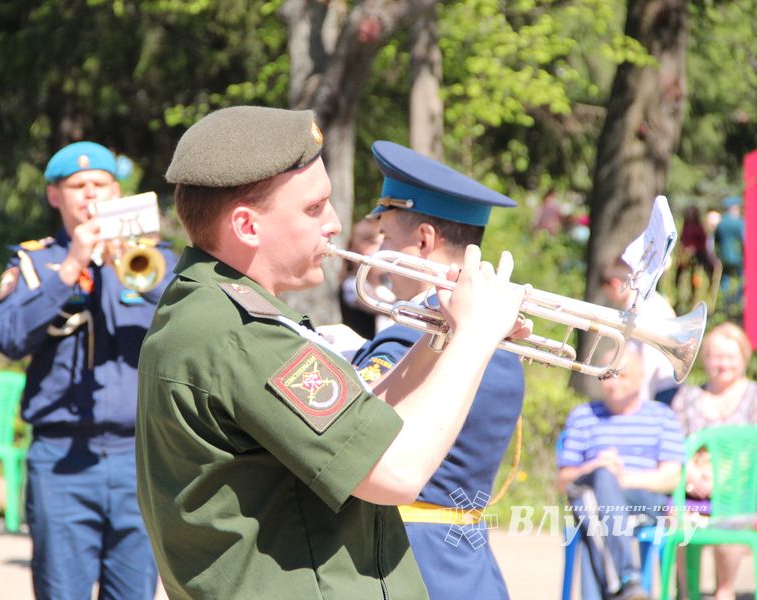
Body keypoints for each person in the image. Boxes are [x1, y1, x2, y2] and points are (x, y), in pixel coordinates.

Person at [135, 106, 528, 599]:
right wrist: (477, 336)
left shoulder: (221, 312)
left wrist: (442, 334)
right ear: (247, 226)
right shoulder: (243, 333)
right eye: (314, 208)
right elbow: (397, 471)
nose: (336, 224)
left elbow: (361, 432)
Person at [0, 141, 177, 599]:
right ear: (55, 195)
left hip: (140, 456)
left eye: (100, 183)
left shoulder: (156, 260)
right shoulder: (34, 264)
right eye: (78, 185)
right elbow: (8, 338)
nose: (90, 193)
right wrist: (71, 266)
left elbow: (186, 327)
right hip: (62, 459)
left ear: (116, 190)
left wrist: (135, 272)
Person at [349, 140, 524, 600]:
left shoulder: (407, 338)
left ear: (424, 240)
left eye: (386, 237)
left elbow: (352, 440)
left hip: (403, 564)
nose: (380, 256)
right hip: (469, 565)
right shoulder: (501, 342)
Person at [557, 346, 684, 600]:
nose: (614, 383)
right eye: (607, 375)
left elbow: (671, 477)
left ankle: (626, 581)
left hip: (643, 502)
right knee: (592, 501)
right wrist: (593, 468)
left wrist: (620, 480)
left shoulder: (662, 416)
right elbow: (564, 481)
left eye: (622, 375)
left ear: (641, 377)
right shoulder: (582, 417)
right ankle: (628, 581)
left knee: (589, 506)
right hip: (594, 503)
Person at [671, 322, 757, 600]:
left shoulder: (754, 396)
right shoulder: (688, 396)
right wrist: (692, 475)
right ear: (705, 359)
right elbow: (673, 444)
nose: (722, 364)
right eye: (716, 356)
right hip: (694, 492)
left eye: (730, 357)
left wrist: (720, 479)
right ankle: (687, 592)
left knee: (731, 510)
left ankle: (725, 591)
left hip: (742, 493)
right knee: (676, 520)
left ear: (743, 358)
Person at [600, 258, 679, 405]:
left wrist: (642, 401)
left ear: (614, 284)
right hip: (658, 386)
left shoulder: (644, 308)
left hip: (658, 388)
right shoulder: (640, 305)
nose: (609, 297)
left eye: (607, 292)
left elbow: (650, 357)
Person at [338, 216, 383, 339]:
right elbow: (378, 307)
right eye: (382, 244)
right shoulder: (352, 285)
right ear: (366, 249)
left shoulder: (385, 285)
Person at [674, 205, 718, 310]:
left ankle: (694, 297)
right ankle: (679, 297)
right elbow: (682, 239)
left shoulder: (698, 227)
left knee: (696, 276)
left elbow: (703, 241)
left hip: (697, 255)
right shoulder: (686, 225)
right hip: (686, 254)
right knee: (679, 275)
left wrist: (695, 248)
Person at [712, 196, 744, 314]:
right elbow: (745, 239)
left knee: (725, 279)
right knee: (744, 278)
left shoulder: (721, 223)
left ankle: (725, 303)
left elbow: (716, 241)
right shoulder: (738, 222)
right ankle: (735, 300)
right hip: (737, 256)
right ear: (734, 208)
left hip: (724, 256)